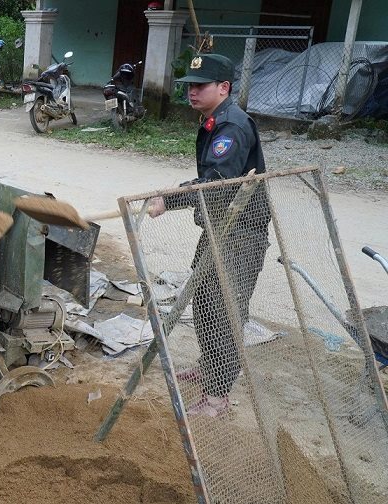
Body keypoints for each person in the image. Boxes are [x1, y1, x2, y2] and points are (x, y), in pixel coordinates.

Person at [147, 53, 270, 418]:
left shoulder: (232, 125)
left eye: (200, 86)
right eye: (190, 86)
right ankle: (209, 367)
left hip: (241, 232)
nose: (193, 92)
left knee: (224, 310)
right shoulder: (215, 121)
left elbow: (217, 184)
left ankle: (217, 399)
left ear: (223, 87)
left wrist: (169, 199)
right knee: (203, 299)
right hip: (221, 227)